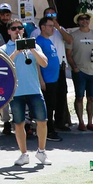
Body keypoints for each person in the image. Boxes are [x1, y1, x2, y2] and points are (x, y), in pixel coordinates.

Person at [3, 19, 50, 166]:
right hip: (16, 92)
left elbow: (44, 63)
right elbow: (4, 67)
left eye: (20, 28)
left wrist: (32, 49)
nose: (17, 30)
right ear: (9, 31)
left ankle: (41, 151)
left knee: (42, 121)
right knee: (19, 123)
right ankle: (23, 154)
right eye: (14, 28)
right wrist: (17, 51)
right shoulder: (5, 48)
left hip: (34, 89)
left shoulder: (33, 45)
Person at [65, 12, 93, 131]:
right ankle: (81, 122)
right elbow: (68, 54)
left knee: (92, 98)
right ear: (78, 21)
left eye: (86, 18)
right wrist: (74, 67)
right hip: (79, 71)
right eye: (81, 19)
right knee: (79, 97)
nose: (84, 21)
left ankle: (90, 122)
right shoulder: (73, 35)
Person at [40, 9, 72, 133]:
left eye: (54, 15)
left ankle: (59, 121)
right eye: (49, 15)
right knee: (49, 99)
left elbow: (69, 40)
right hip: (46, 72)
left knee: (61, 94)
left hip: (60, 68)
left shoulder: (59, 29)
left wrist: (58, 27)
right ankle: (48, 126)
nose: (52, 17)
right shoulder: (39, 34)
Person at [36, 14, 66, 142]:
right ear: (43, 27)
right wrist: (41, 80)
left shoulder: (49, 40)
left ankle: (51, 128)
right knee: (47, 106)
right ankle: (48, 131)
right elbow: (37, 62)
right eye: (50, 26)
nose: (53, 28)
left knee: (53, 105)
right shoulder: (39, 41)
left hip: (55, 79)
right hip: (46, 80)